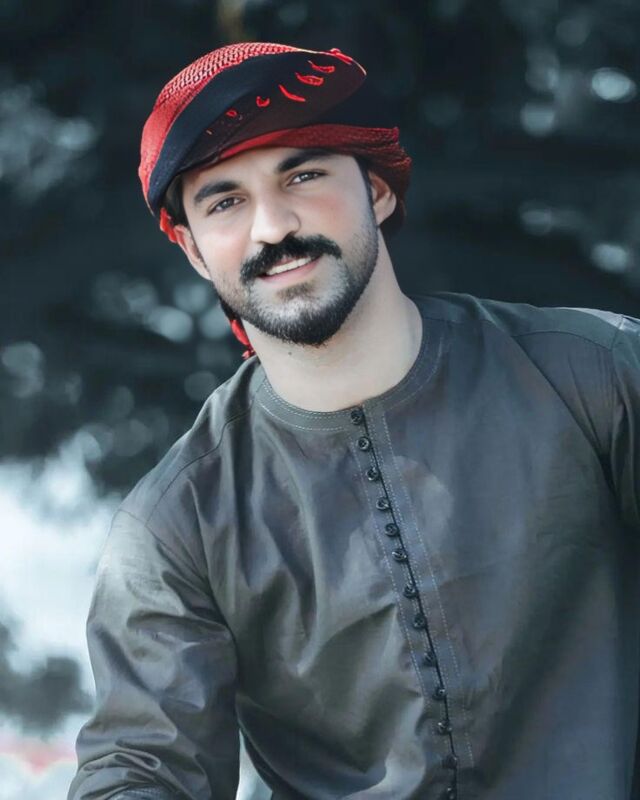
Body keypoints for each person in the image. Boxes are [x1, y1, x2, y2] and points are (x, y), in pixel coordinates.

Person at [68, 42, 640, 800]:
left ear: (376, 191)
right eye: (225, 202)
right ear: (195, 251)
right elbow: (139, 767)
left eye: (302, 176)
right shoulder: (178, 523)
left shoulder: (596, 372)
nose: (272, 228)